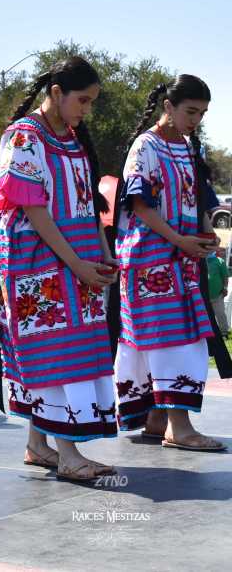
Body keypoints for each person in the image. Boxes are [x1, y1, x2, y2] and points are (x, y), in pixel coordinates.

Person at [0, 56, 119, 482]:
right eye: (82, 100)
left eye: (91, 102)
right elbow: (34, 209)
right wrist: (76, 263)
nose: (86, 110)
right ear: (56, 93)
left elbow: (88, 205)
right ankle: (69, 455)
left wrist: (102, 252)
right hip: (37, 265)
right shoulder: (24, 136)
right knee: (57, 356)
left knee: (67, 351)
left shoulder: (71, 139)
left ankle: (38, 445)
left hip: (77, 263)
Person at [114, 76, 226, 451]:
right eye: (190, 111)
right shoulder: (146, 146)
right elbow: (140, 205)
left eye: (202, 113)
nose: (196, 120)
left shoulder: (189, 147)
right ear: (168, 106)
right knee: (174, 341)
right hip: (150, 262)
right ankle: (179, 428)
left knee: (168, 338)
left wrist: (207, 233)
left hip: (182, 260)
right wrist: (180, 240)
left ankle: (156, 419)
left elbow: (199, 198)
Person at [206, 246, 229, 338]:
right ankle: (208, 333)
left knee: (220, 313)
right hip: (204, 295)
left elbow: (225, 276)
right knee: (206, 316)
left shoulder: (220, 261)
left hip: (218, 294)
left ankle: (224, 332)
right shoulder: (200, 261)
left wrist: (225, 288)